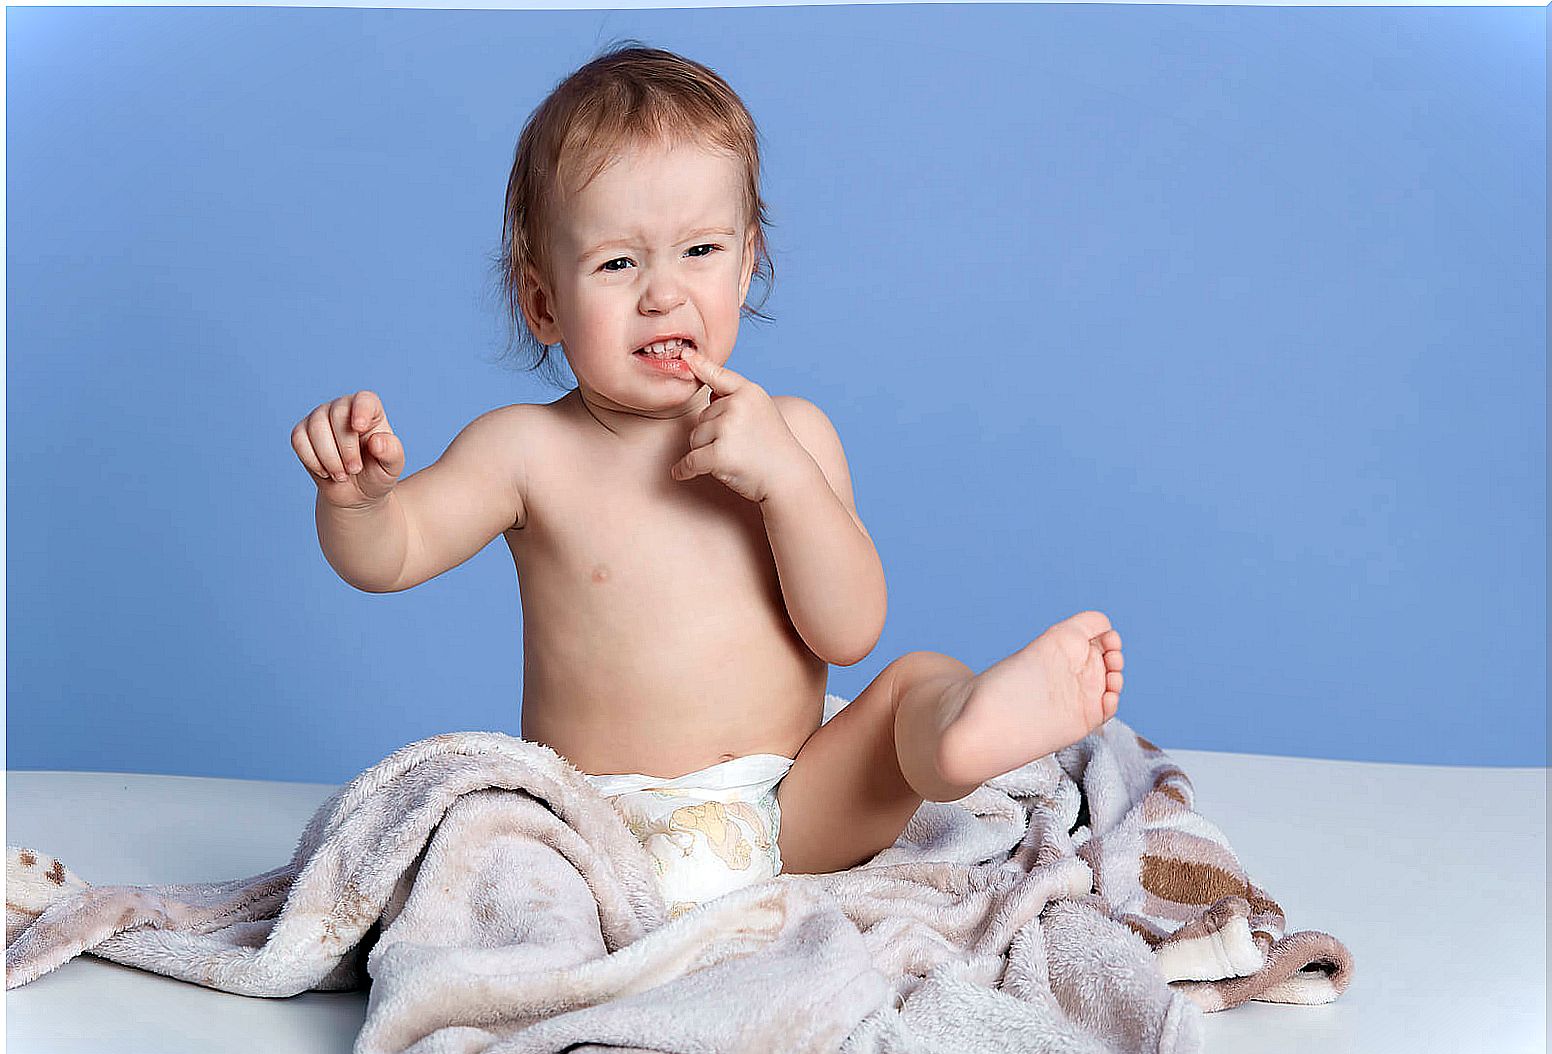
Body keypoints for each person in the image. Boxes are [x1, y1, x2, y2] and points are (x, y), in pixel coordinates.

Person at [289, 42, 1123, 920]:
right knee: (503, 866)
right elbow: (395, 552)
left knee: (913, 680)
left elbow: (849, 632)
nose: (663, 293)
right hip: (597, 836)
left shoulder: (793, 434)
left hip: (793, 816)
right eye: (618, 263)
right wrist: (360, 502)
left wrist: (787, 485)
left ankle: (958, 738)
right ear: (542, 303)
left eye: (698, 249)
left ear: (746, 260)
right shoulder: (525, 450)